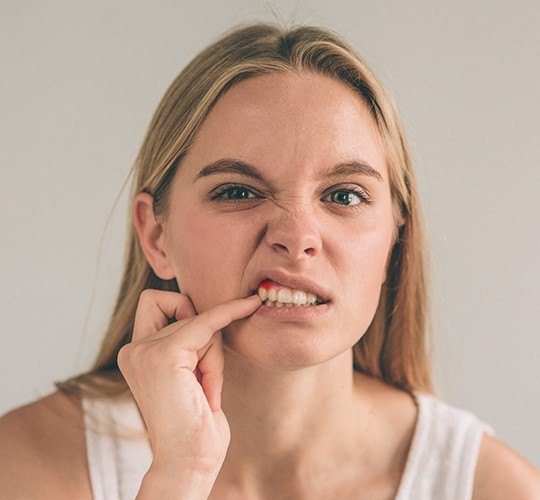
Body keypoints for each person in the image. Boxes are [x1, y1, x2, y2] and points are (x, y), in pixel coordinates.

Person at [1, 21, 538, 500]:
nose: (298, 237)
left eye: (345, 195)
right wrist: (179, 475)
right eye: (238, 192)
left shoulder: (493, 488)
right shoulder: (26, 467)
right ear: (155, 233)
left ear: (395, 238)